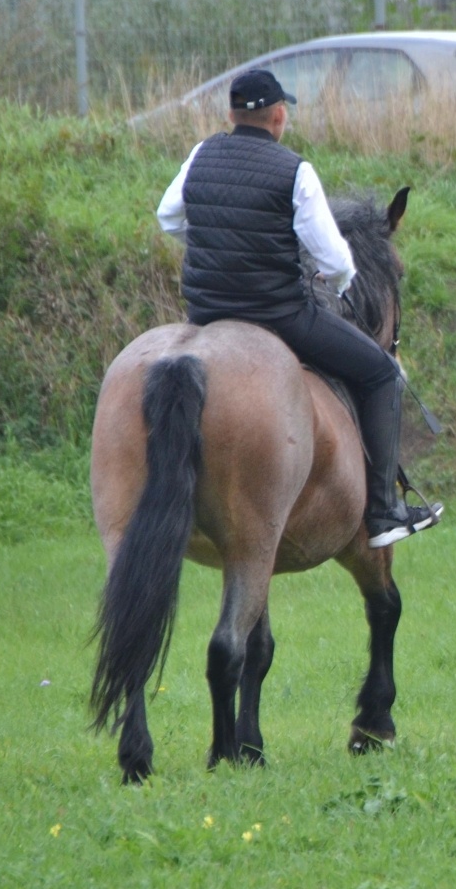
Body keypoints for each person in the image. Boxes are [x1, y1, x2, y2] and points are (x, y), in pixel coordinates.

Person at [156, 69, 441, 548]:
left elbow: (169, 217)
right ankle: (384, 510)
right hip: (277, 314)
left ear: (230, 114)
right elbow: (333, 260)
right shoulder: (295, 170)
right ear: (280, 116)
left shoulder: (200, 154)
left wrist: (208, 243)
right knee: (380, 375)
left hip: (205, 312)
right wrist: (342, 282)